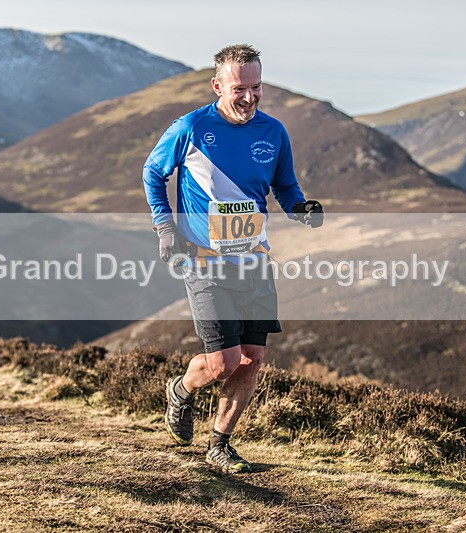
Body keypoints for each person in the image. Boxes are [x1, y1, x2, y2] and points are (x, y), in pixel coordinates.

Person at [143, 44, 324, 473]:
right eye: (239, 88)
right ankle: (181, 390)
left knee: (251, 358)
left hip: (255, 261)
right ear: (218, 86)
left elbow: (285, 186)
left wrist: (300, 208)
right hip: (204, 262)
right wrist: (165, 228)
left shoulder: (273, 131)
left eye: (256, 87)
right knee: (221, 363)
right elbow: (153, 173)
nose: (249, 96)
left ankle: (219, 444)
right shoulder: (191, 127)